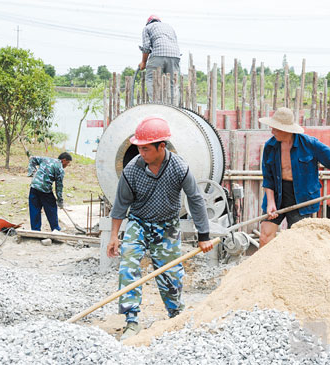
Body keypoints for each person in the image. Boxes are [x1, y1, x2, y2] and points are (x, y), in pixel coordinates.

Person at [106, 116, 213, 341]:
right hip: (139, 223)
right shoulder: (132, 170)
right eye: (139, 148)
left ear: (161, 147)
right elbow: (120, 205)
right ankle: (131, 321)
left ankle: (176, 315)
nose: (141, 153)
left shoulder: (179, 168)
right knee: (128, 265)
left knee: (171, 274)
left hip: (167, 226)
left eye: (145, 149)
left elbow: (195, 199)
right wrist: (114, 236)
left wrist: (204, 236)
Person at [258, 107, 330, 247]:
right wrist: (271, 202)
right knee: (265, 236)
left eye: (276, 129)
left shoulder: (309, 144)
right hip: (277, 194)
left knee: (296, 241)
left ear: (287, 129)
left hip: (301, 196)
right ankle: (263, 268)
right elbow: (268, 177)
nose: (272, 132)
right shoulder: (270, 146)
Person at [138, 14, 180, 102]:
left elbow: (146, 47)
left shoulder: (147, 28)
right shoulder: (169, 27)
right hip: (175, 55)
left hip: (158, 54)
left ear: (148, 22)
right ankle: (174, 106)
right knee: (173, 82)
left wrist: (143, 62)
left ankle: (155, 103)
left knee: (151, 78)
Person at [27, 152, 72, 232]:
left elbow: (32, 159)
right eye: (68, 162)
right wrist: (60, 200)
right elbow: (59, 187)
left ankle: (35, 230)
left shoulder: (46, 159)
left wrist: (32, 172)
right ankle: (55, 229)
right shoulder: (60, 169)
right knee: (51, 208)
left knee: (34, 208)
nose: (67, 165)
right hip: (45, 190)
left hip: (34, 186)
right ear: (64, 160)